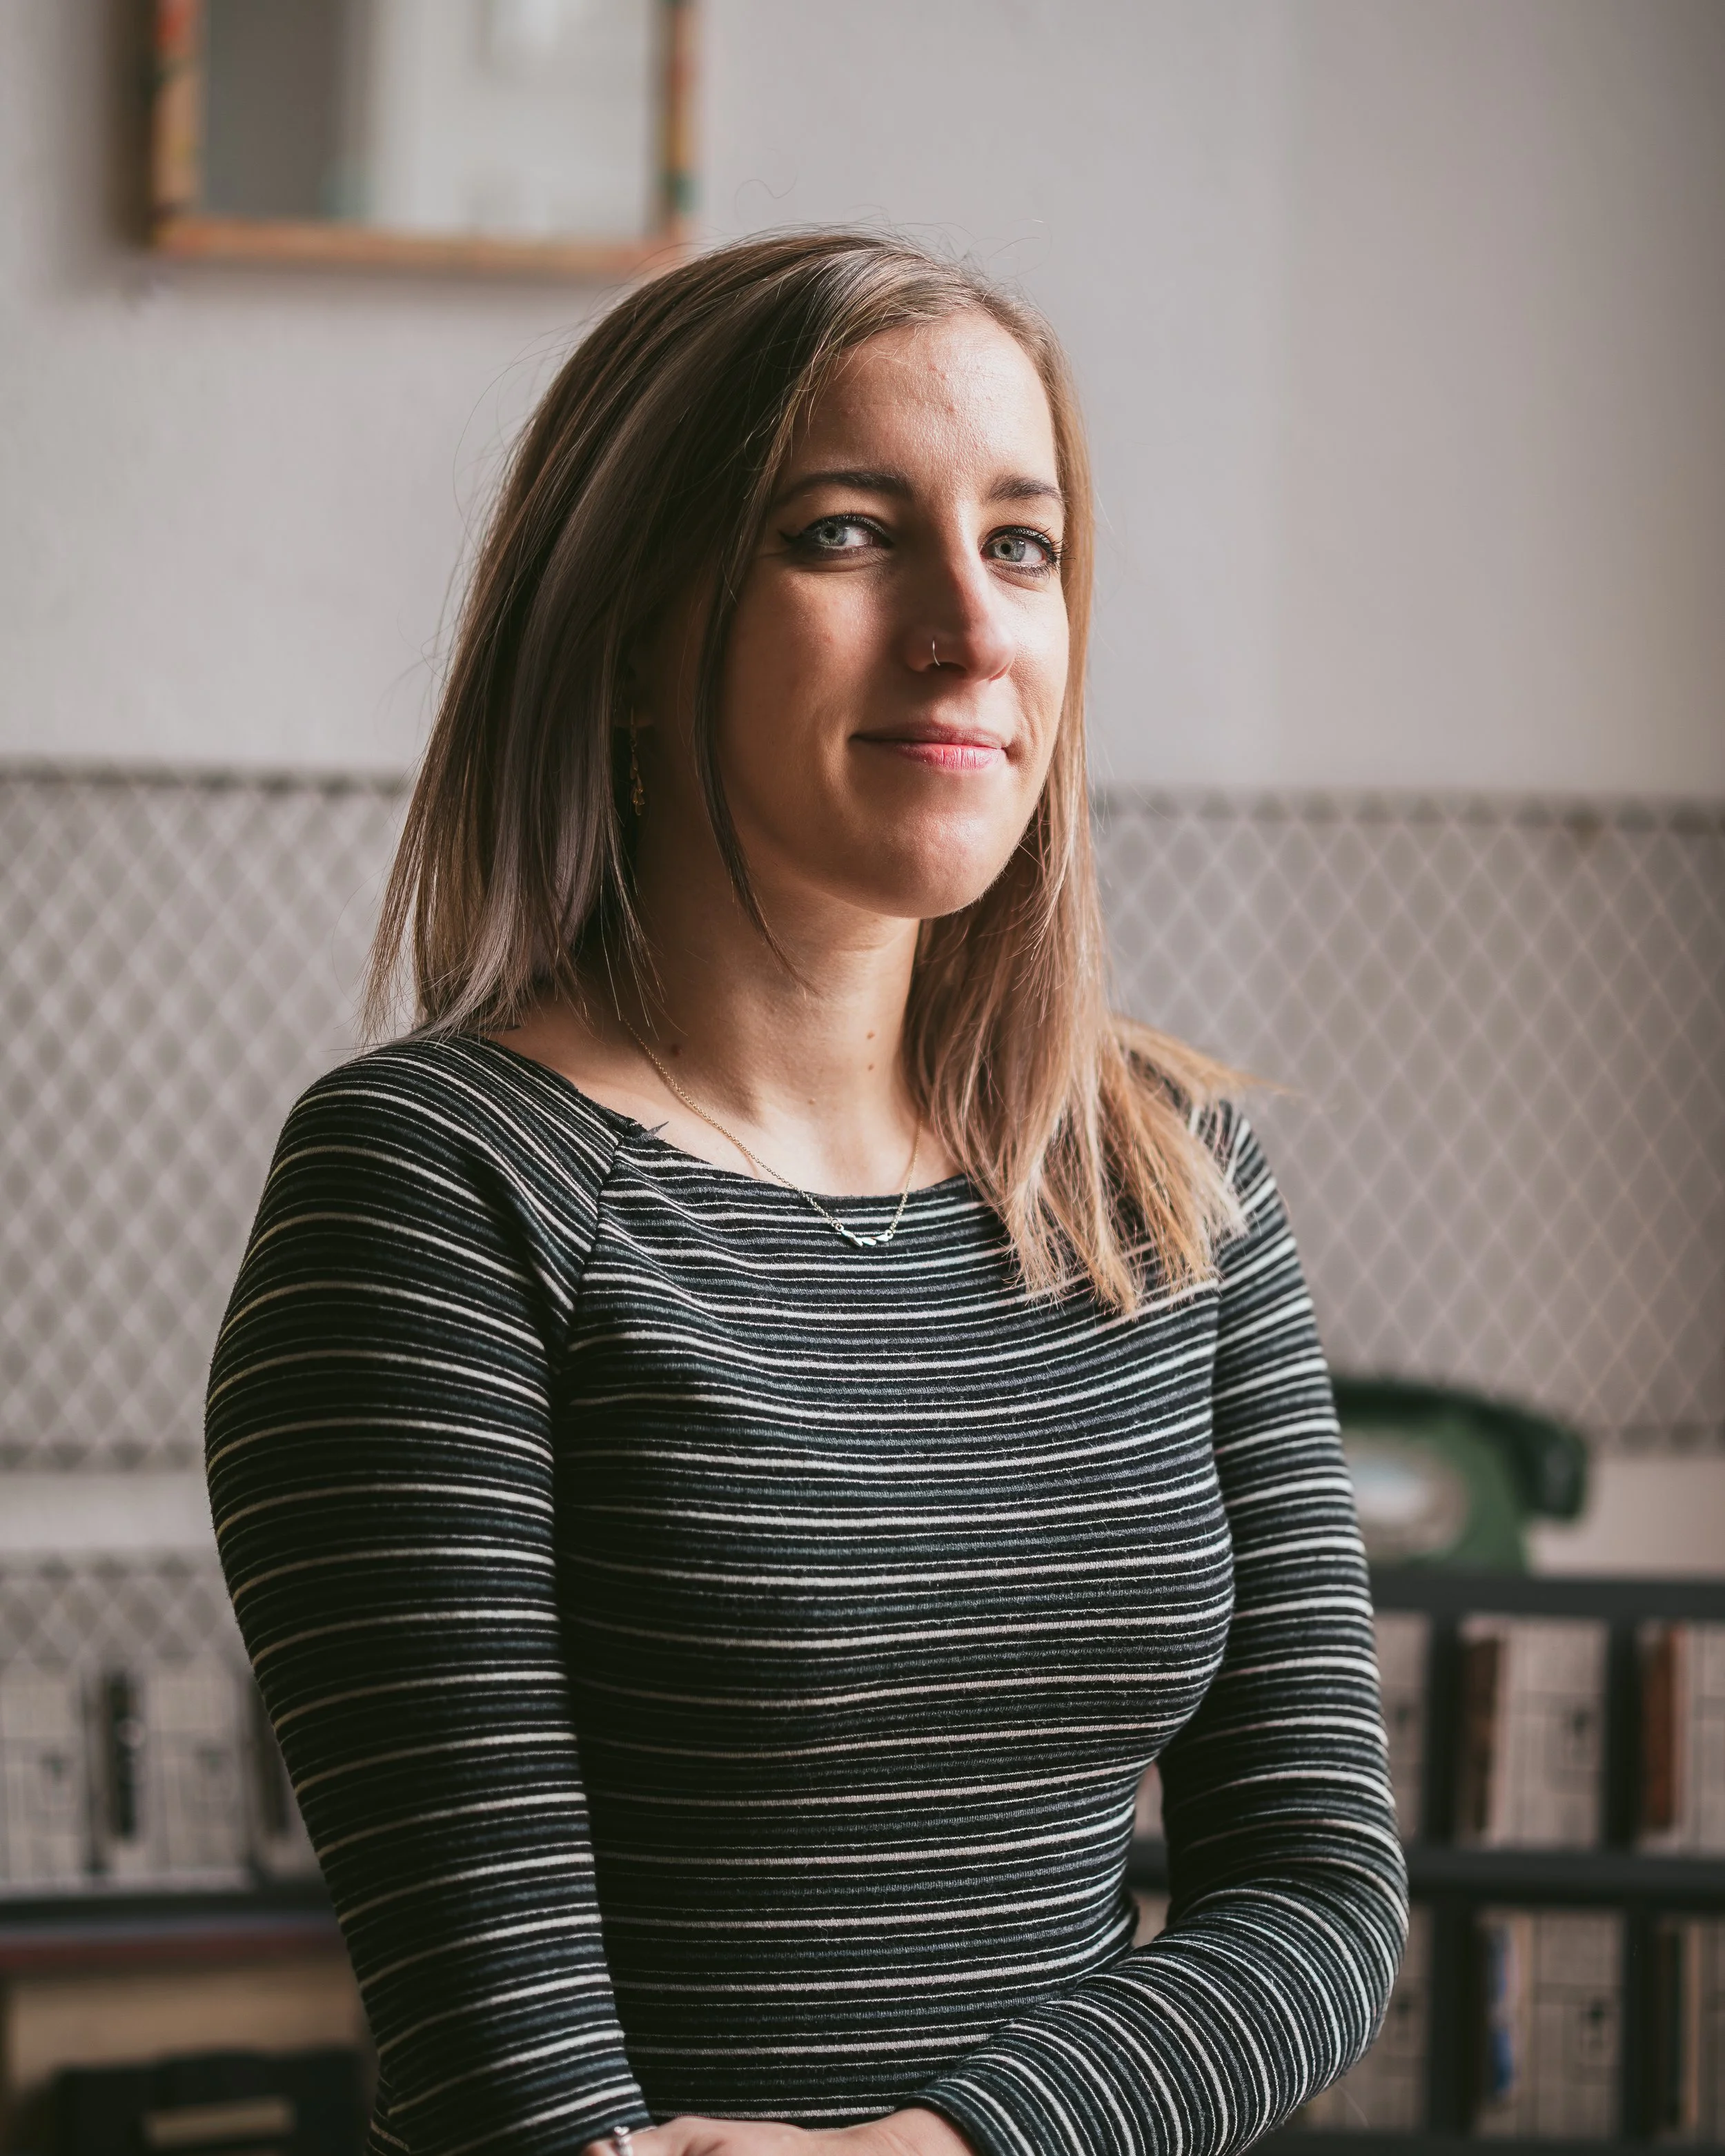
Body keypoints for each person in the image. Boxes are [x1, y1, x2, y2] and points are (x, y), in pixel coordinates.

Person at [206, 230, 1406, 2156]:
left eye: (1021, 544)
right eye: (845, 532)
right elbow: (501, 2057)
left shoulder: (1166, 1173)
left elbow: (1324, 1889)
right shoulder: (437, 1189)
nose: (969, 626)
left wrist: (950, 2150)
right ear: (617, 624)